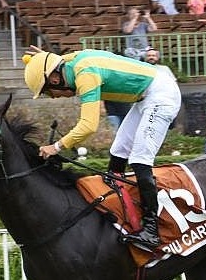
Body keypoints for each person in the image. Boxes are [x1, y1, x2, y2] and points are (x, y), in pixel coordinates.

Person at [23, 46, 181, 250]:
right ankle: (121, 207)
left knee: (140, 159)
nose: (55, 97)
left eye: (49, 92)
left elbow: (89, 126)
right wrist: (45, 59)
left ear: (54, 79)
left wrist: (56, 146)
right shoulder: (72, 63)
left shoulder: (85, 75)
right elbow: (59, 60)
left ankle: (152, 230)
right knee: (118, 151)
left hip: (161, 95)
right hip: (147, 95)